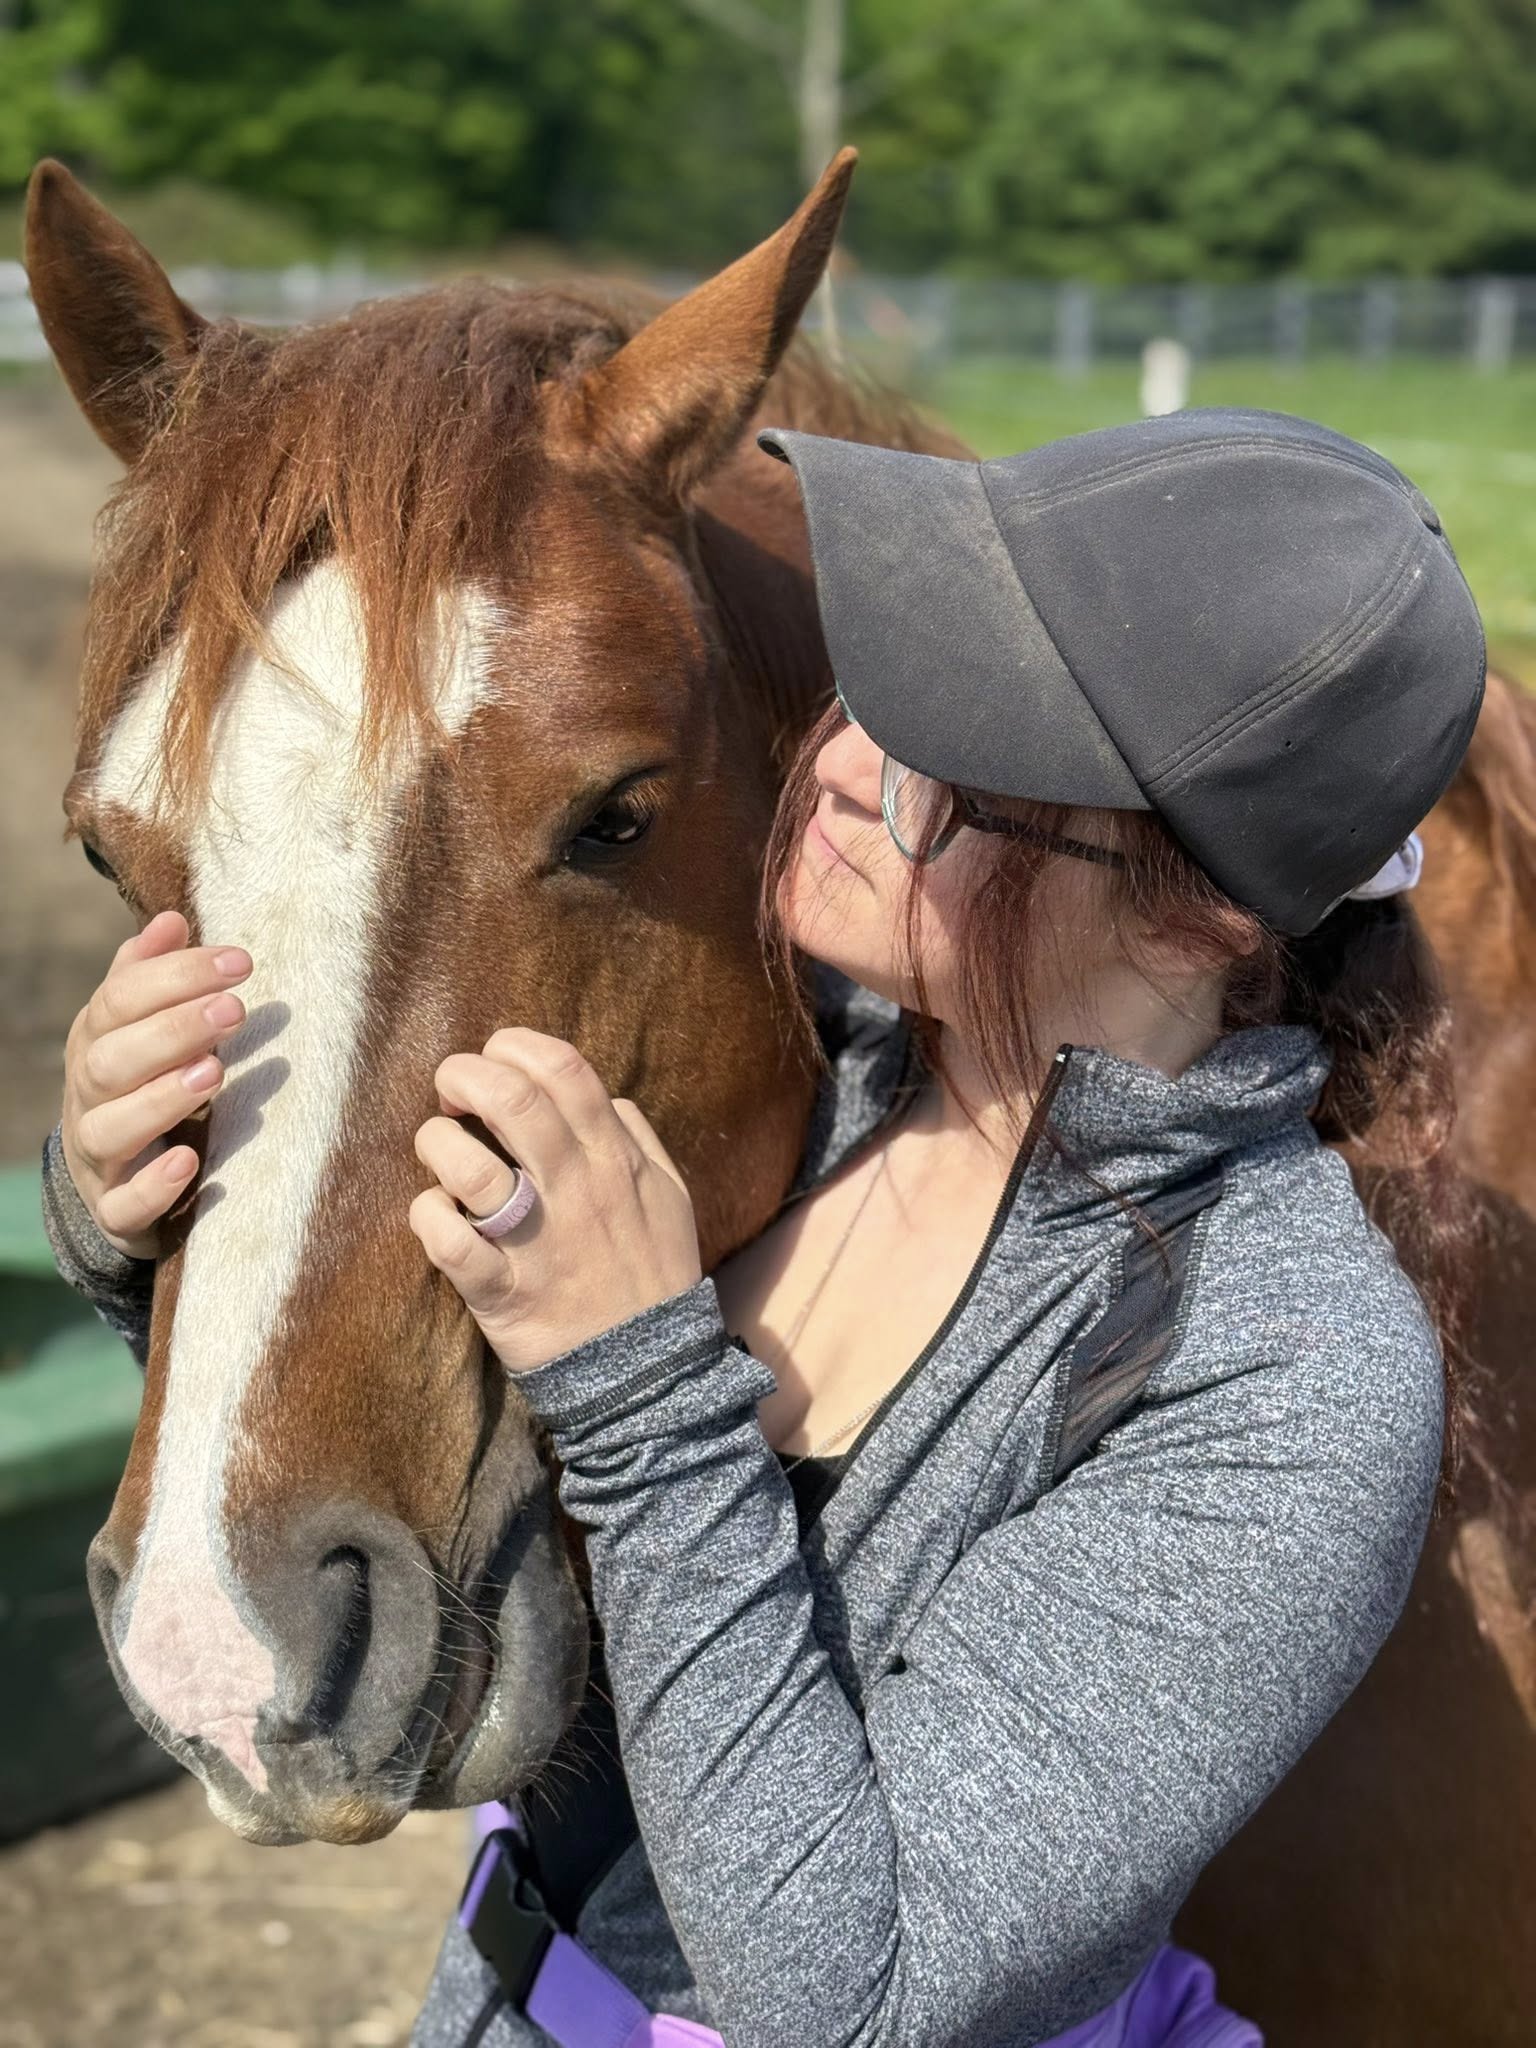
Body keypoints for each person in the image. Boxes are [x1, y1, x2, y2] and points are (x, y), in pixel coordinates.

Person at [41, 407, 1485, 2048]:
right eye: (872, 696)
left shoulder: (1285, 1375)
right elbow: (409, 1499)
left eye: (953, 763)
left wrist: (645, 1383)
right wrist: (128, 1206)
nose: (844, 768)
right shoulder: (820, 1074)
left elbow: (860, 1996)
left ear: (1198, 905)